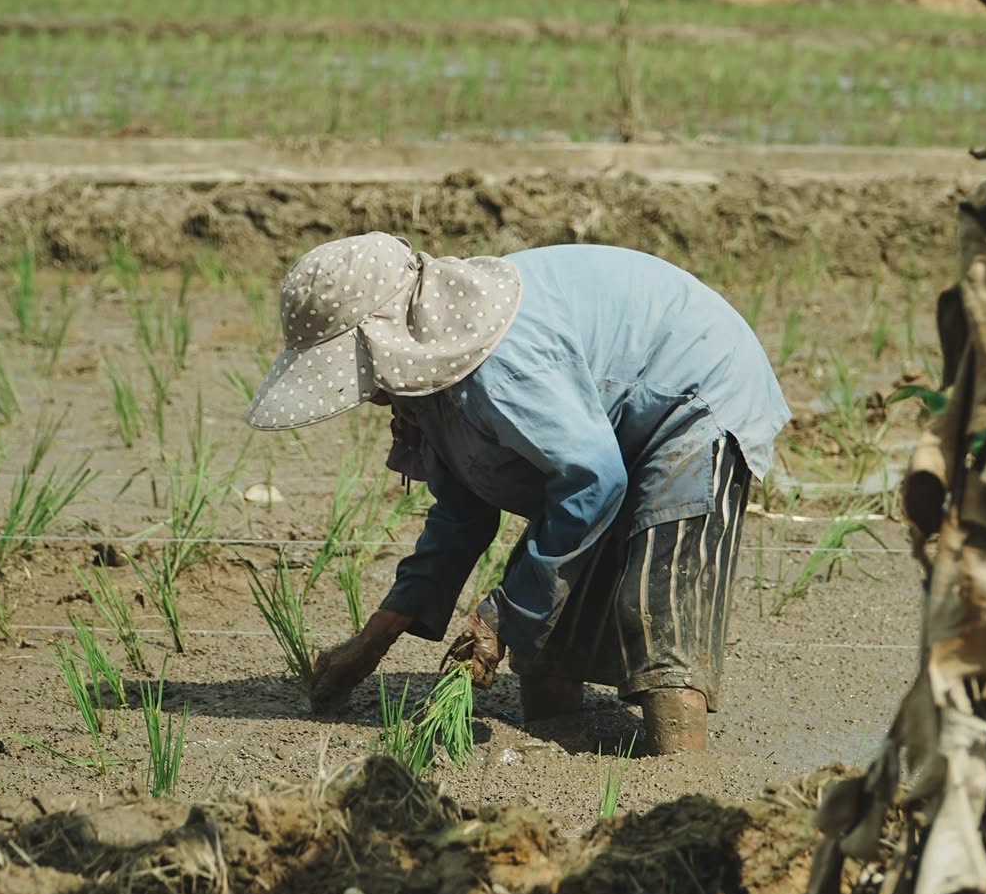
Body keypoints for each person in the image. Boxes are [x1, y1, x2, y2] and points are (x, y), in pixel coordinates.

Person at [245, 232, 789, 753]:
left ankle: (681, 773)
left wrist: (499, 618)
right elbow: (460, 518)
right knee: (546, 636)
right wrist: (371, 643)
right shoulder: (433, 381)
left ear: (387, 339)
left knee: (658, 605)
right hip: (604, 440)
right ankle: (560, 750)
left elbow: (594, 479)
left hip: (695, 396)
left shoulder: (497, 366)